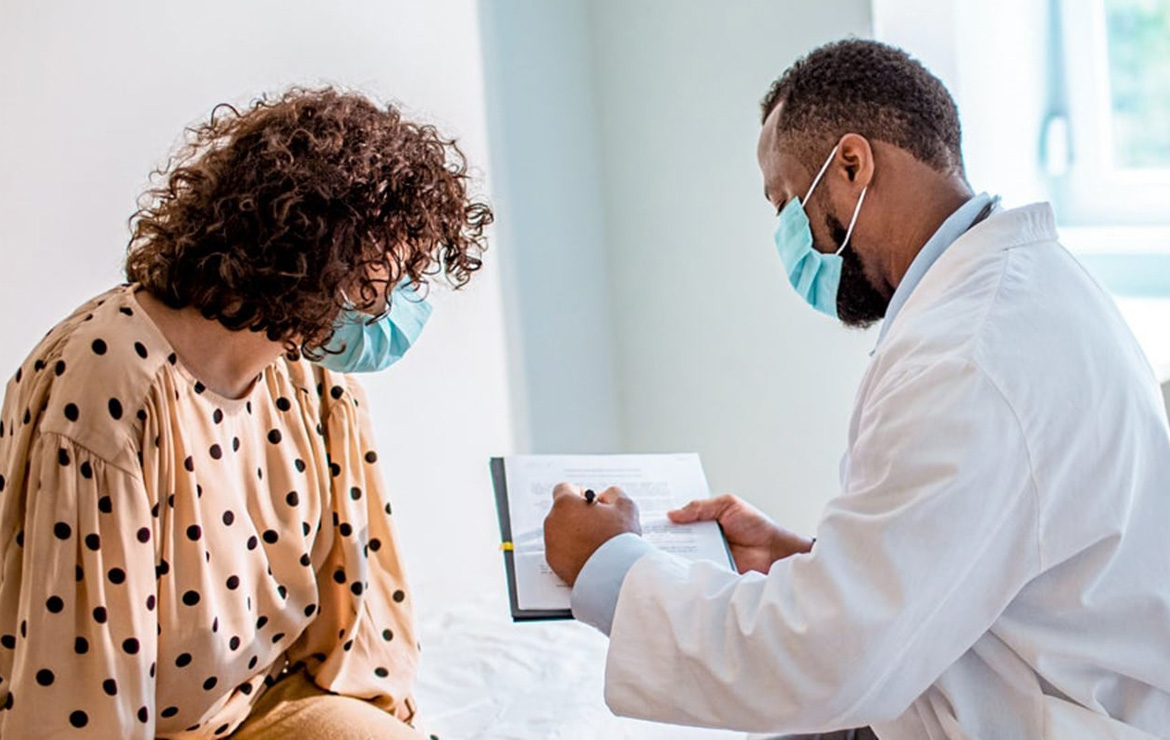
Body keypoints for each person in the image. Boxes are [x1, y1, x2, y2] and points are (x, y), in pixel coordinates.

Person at [543, 39, 1170, 739]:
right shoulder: (1023, 289)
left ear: (851, 166)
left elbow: (824, 662)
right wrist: (805, 559)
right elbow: (976, 558)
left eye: (784, 204)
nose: (785, 237)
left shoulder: (966, 358)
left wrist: (609, 566)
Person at [0, 87, 491, 738]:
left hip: (265, 704)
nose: (399, 304)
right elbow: (82, 687)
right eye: (392, 275)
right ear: (318, 253)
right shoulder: (111, 388)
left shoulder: (310, 374)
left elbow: (356, 613)